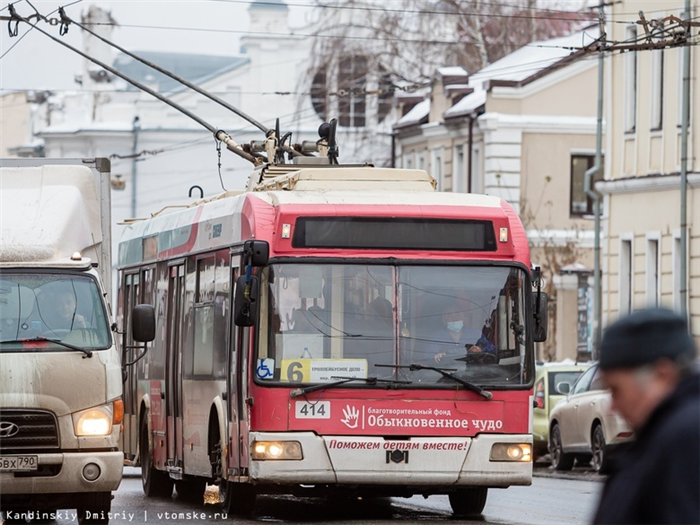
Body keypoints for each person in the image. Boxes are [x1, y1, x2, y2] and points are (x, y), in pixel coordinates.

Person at [591, 308, 700, 525]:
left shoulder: (686, 438)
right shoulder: (661, 437)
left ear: (662, 376)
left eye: (616, 390)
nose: (611, 406)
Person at [427, 306, 496, 364]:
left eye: (457, 314)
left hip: (472, 372)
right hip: (445, 373)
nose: (454, 318)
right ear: (444, 319)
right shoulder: (438, 336)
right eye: (449, 315)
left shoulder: (474, 334)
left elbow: (492, 349)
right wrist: (437, 356)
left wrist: (480, 349)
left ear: (463, 316)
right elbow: (428, 356)